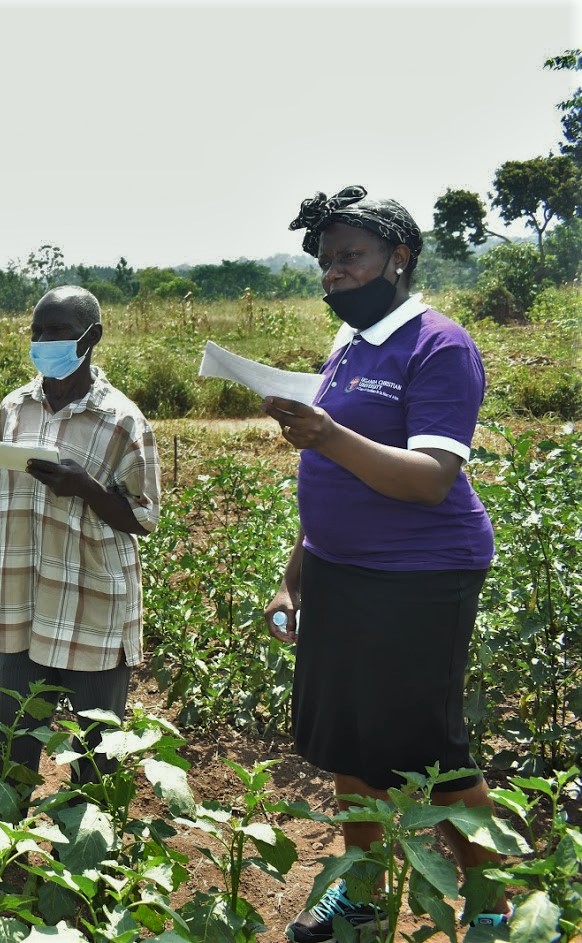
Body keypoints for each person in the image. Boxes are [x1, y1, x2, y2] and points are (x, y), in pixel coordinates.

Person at [267, 186, 508, 941]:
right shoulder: (349, 346)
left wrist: (327, 434)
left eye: (351, 256)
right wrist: (294, 577)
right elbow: (331, 480)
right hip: (339, 571)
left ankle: (495, 906)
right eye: (326, 260)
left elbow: (431, 477)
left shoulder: (440, 346)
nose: (334, 272)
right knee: (349, 738)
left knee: (428, 751)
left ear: (398, 258)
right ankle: (364, 893)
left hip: (419, 577)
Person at [0, 286, 160, 817]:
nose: (43, 342)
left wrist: (86, 488)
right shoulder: (14, 409)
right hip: (23, 604)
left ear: (91, 337)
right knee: (11, 738)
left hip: (91, 605)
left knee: (96, 751)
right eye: (37, 332)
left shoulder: (122, 421)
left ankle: (84, 851)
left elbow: (143, 519)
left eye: (56, 331)